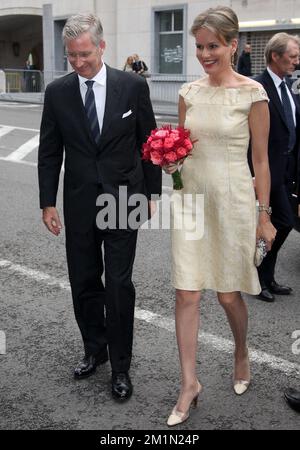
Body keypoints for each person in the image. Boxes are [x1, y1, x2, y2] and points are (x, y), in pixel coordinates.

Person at [38, 13, 161, 401]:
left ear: (102, 47)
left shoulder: (132, 86)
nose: (78, 63)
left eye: (85, 54)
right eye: (71, 56)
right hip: (78, 201)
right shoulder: (57, 93)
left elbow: (150, 141)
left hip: (124, 197)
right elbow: (49, 152)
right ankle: (95, 349)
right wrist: (47, 203)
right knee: (85, 280)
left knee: (120, 284)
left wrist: (152, 194)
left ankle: (121, 366)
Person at [163, 6, 276, 426]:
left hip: (232, 201)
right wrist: (169, 161)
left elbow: (261, 161)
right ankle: (189, 383)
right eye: (199, 47)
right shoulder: (188, 93)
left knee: (228, 295)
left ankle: (241, 349)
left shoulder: (253, 93)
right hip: (191, 199)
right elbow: (181, 146)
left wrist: (264, 216)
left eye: (213, 46)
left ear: (233, 44)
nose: (205, 54)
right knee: (186, 292)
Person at [251, 33, 300, 302]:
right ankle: (258, 274)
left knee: (280, 223)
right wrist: (253, 175)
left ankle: (266, 276)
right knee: (281, 221)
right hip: (267, 171)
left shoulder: (290, 86)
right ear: (275, 56)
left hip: (288, 169)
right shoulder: (257, 87)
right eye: (292, 56)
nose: (297, 60)